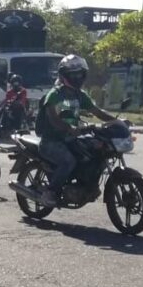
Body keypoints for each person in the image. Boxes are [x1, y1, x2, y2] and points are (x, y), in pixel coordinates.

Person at [34, 54, 117, 207]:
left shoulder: (80, 95)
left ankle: (87, 185)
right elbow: (53, 118)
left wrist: (116, 120)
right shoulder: (54, 95)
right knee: (68, 161)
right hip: (51, 141)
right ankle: (50, 191)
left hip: (71, 139)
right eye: (73, 74)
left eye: (79, 74)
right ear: (65, 75)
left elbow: (97, 111)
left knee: (93, 152)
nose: (77, 77)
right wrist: (68, 128)